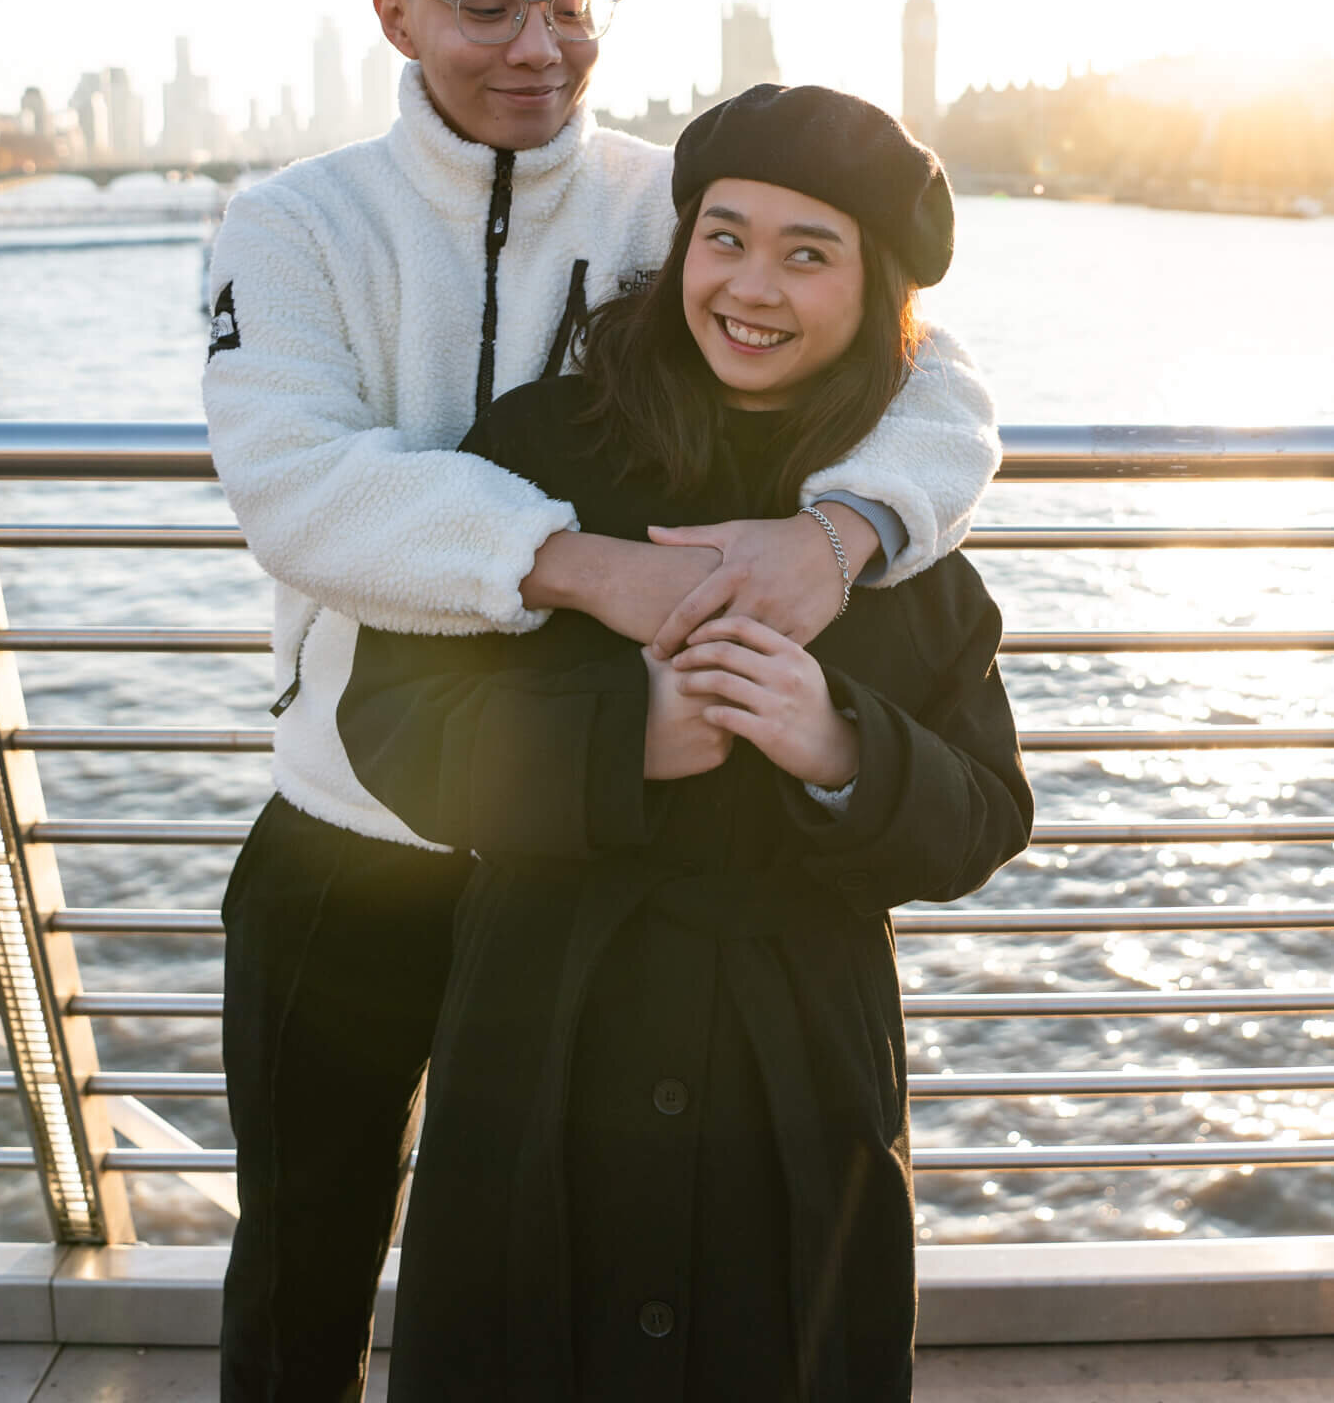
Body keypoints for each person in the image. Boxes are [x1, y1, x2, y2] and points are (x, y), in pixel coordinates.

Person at [202, 0, 1003, 1403]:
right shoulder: (293, 227)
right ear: (394, 15)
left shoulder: (675, 206)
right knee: (300, 1264)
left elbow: (932, 373)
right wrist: (581, 559)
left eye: (573, 0)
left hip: (590, 871)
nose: (538, 43)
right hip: (353, 831)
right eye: (484, 3)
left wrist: (841, 534)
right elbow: (295, 488)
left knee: (552, 1286)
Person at [336, 82, 1032, 1402]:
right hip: (547, 1035)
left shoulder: (897, 524)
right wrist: (623, 741)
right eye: (726, 236)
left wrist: (840, 749)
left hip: (795, 1072)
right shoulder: (537, 450)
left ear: (875, 290)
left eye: (807, 252)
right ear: (681, 247)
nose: (752, 286)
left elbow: (985, 816)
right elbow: (390, 725)